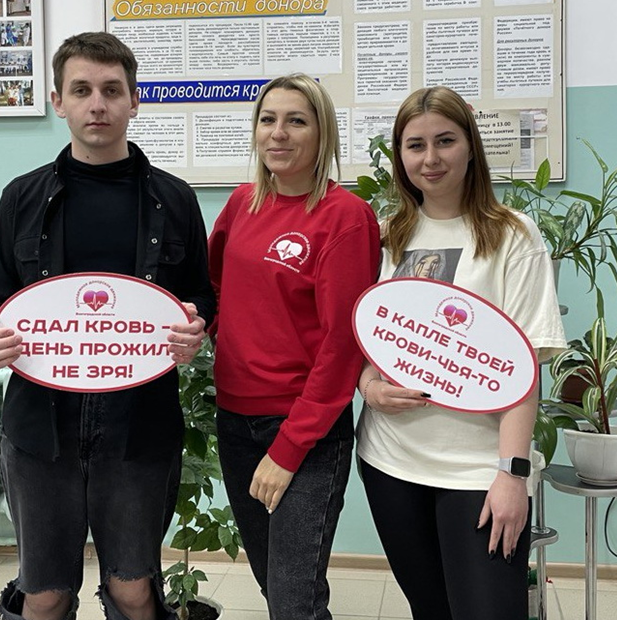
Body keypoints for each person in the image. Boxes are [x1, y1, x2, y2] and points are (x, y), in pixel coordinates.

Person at [0, 32, 214, 620]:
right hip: (40, 424)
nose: (97, 104)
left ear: (135, 100)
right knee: (45, 593)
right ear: (59, 101)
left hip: (141, 422)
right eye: (81, 90)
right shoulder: (21, 197)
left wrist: (197, 326)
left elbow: (200, 296)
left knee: (134, 590)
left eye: (111, 90)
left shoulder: (175, 199)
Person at [355, 86, 565, 620]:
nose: (431, 158)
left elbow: (525, 367)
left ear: (471, 145)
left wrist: (512, 474)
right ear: (400, 156)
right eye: (415, 145)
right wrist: (367, 386)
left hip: (479, 469)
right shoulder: (385, 235)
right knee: (430, 610)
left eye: (445, 141)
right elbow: (366, 337)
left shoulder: (513, 235)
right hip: (390, 461)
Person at [207, 74, 381, 619]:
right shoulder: (242, 204)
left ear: (322, 133)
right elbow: (214, 289)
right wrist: (216, 332)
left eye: (296, 121)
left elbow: (343, 344)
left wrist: (288, 449)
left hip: (305, 430)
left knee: (293, 601)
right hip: (235, 420)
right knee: (275, 587)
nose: (278, 133)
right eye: (268, 119)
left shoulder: (345, 217)